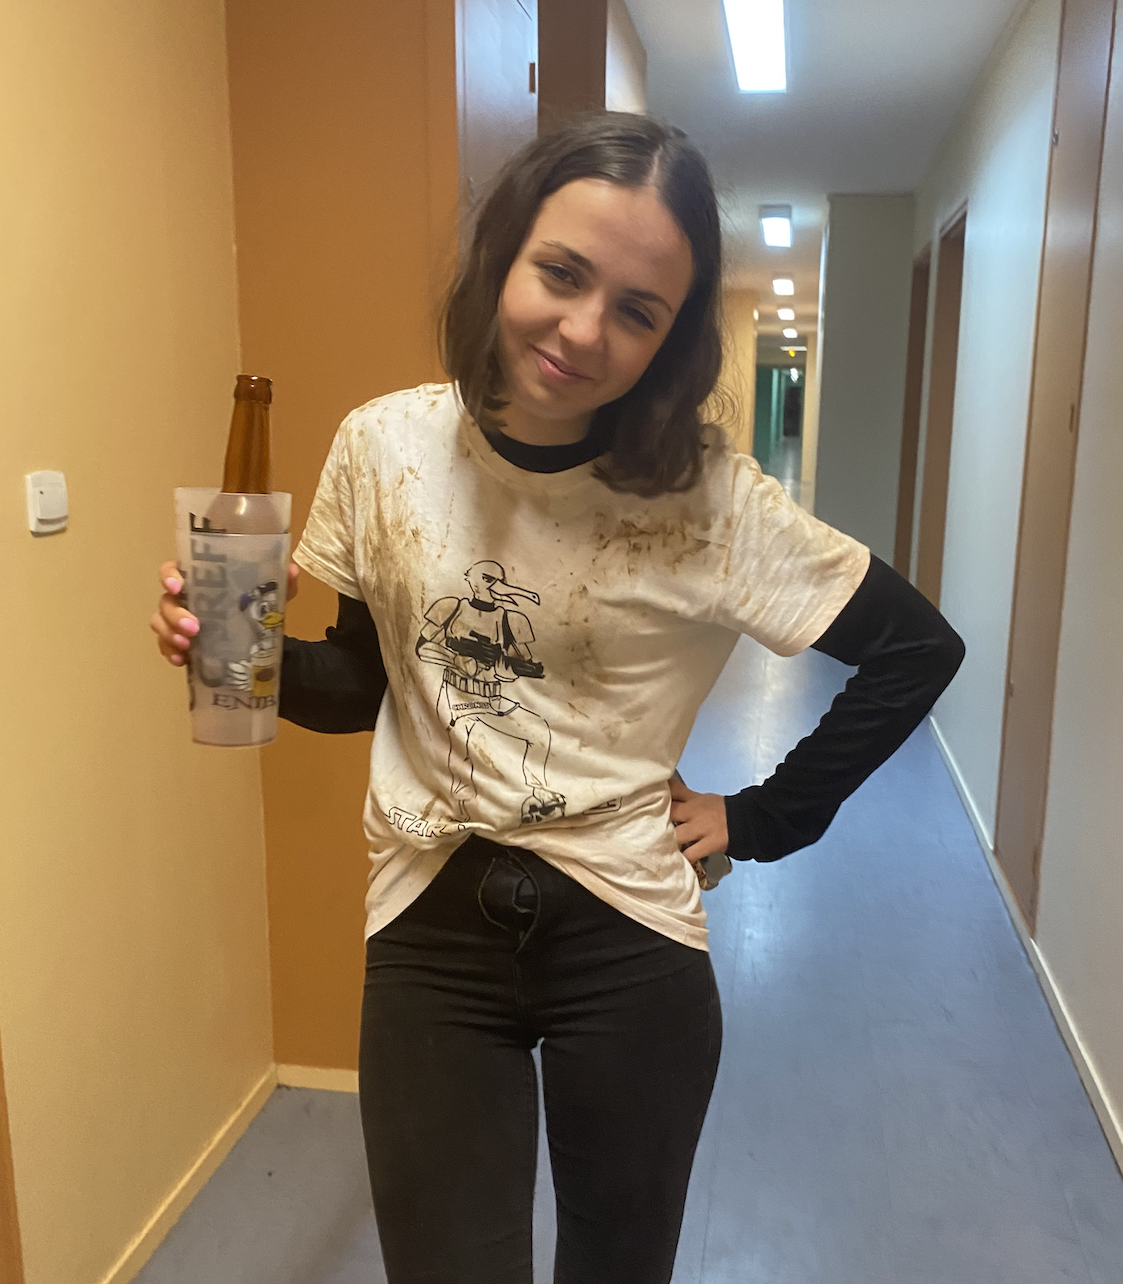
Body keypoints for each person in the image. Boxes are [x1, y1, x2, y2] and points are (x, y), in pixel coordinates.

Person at [150, 114, 963, 1284]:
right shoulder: (385, 447)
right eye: (563, 273)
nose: (585, 331)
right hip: (429, 926)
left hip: (627, 935)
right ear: (503, 255)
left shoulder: (710, 501)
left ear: (674, 338)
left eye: (639, 310)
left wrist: (761, 817)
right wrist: (233, 654)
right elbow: (363, 688)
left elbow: (915, 650)